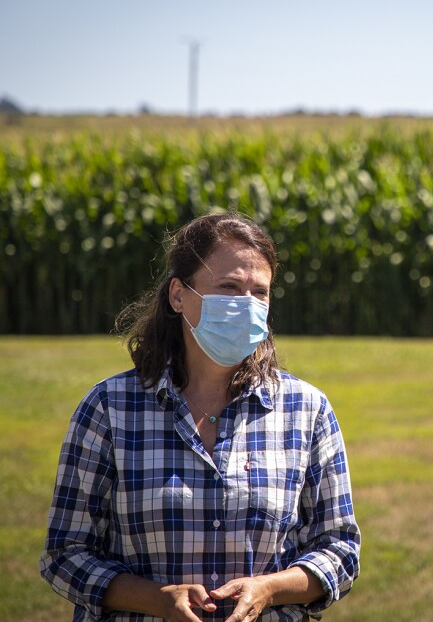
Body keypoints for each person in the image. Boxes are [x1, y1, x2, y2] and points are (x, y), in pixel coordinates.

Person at [41, 212, 360, 622]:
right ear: (178, 295)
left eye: (258, 293)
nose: (245, 305)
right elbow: (65, 554)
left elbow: (340, 548)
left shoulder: (307, 409)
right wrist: (155, 599)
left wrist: (270, 589)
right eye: (228, 287)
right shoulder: (108, 408)